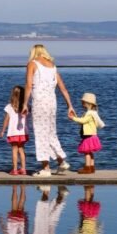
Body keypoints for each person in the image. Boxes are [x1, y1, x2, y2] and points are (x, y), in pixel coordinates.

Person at [21, 44, 74, 176]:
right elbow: (62, 88)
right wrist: (70, 106)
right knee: (50, 132)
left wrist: (25, 103)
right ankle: (61, 161)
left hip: (40, 101)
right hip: (52, 102)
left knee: (41, 133)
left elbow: (28, 85)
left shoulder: (32, 64)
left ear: (33, 53)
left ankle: (45, 168)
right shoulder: (52, 66)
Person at [68, 91, 105, 174]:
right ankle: (92, 167)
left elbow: (83, 121)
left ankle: (87, 167)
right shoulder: (93, 113)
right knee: (90, 152)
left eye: (83, 102)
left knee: (86, 152)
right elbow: (82, 121)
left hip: (88, 136)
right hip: (93, 136)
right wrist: (76, 117)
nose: (82, 104)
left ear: (88, 103)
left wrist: (73, 118)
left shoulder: (89, 113)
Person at [0, 84, 29, 175]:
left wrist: (3, 130)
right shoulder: (26, 107)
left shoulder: (9, 107)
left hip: (13, 133)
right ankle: (23, 169)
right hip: (23, 132)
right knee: (22, 149)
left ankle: (15, 169)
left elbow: (6, 120)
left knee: (14, 150)